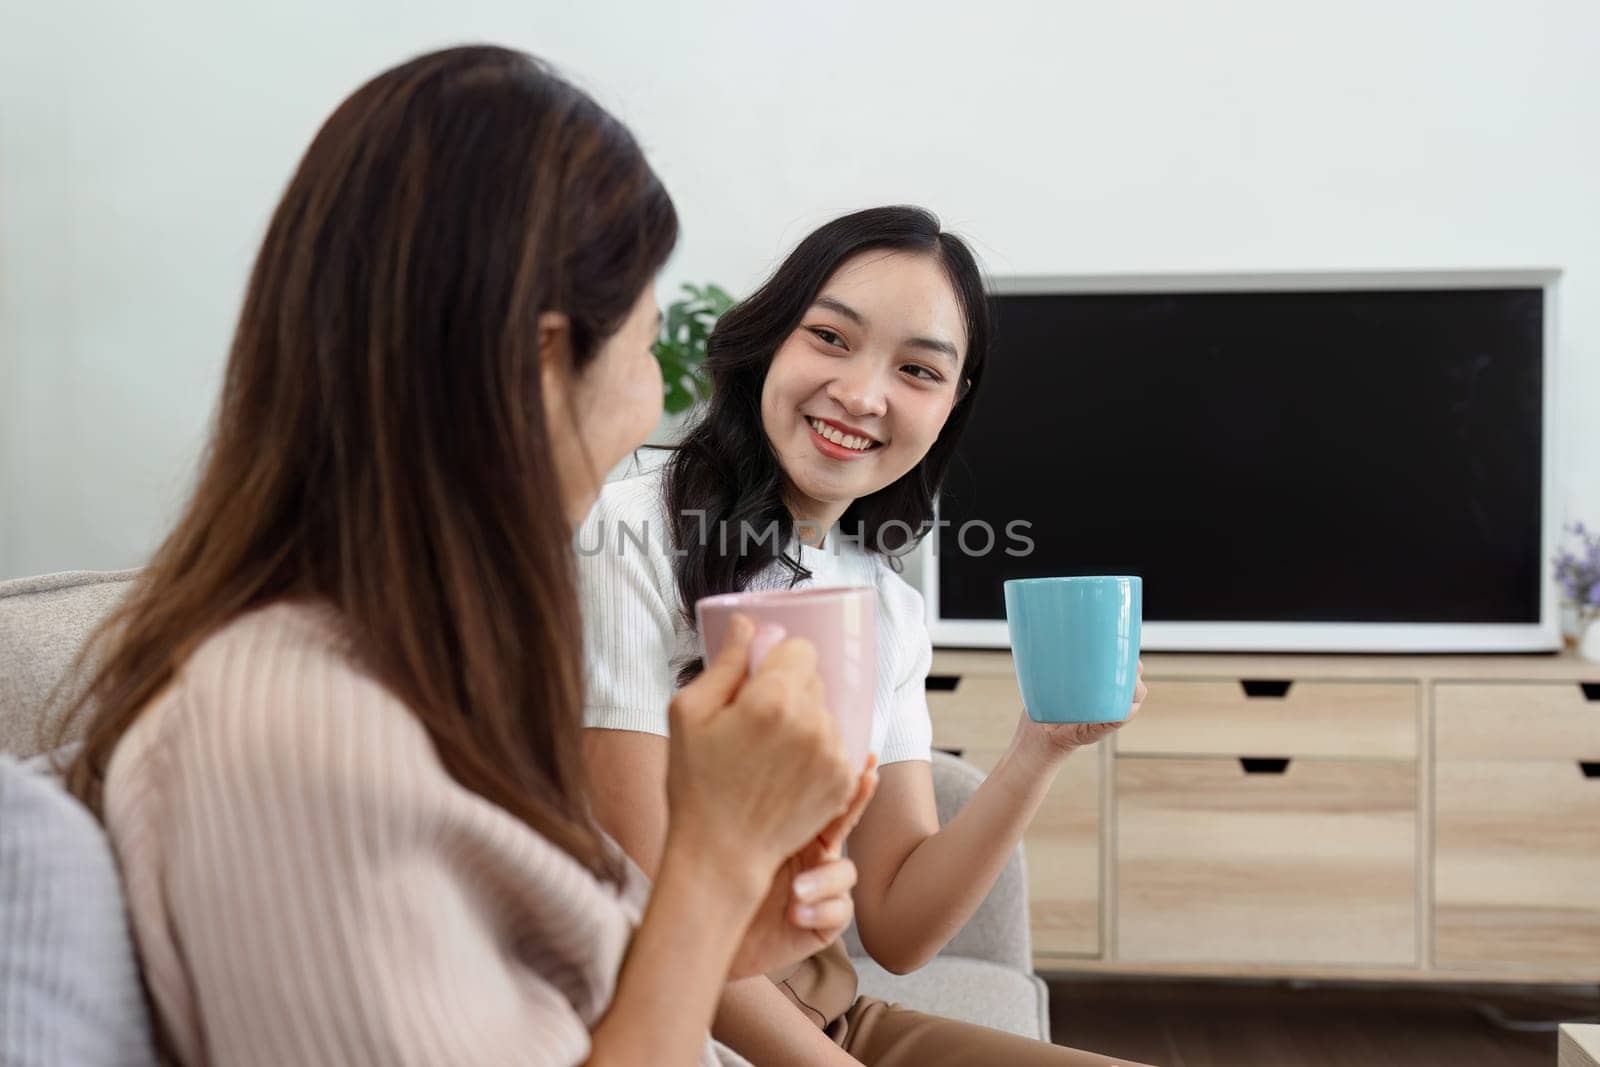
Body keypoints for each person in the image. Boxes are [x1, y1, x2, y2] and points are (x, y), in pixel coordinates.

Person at [54, 45, 876, 1067]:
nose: (649, 406)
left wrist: (726, 920)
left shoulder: (411, 674)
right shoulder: (293, 728)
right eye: (646, 346)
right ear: (537, 362)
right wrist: (706, 865)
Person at [580, 206, 1151, 1065]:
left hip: (832, 1026)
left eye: (918, 369)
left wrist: (1040, 748)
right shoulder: (625, 536)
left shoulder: (884, 603)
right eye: (831, 338)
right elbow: (644, 890)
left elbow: (898, 925)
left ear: (951, 404)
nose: (862, 393)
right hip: (662, 1028)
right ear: (771, 339)